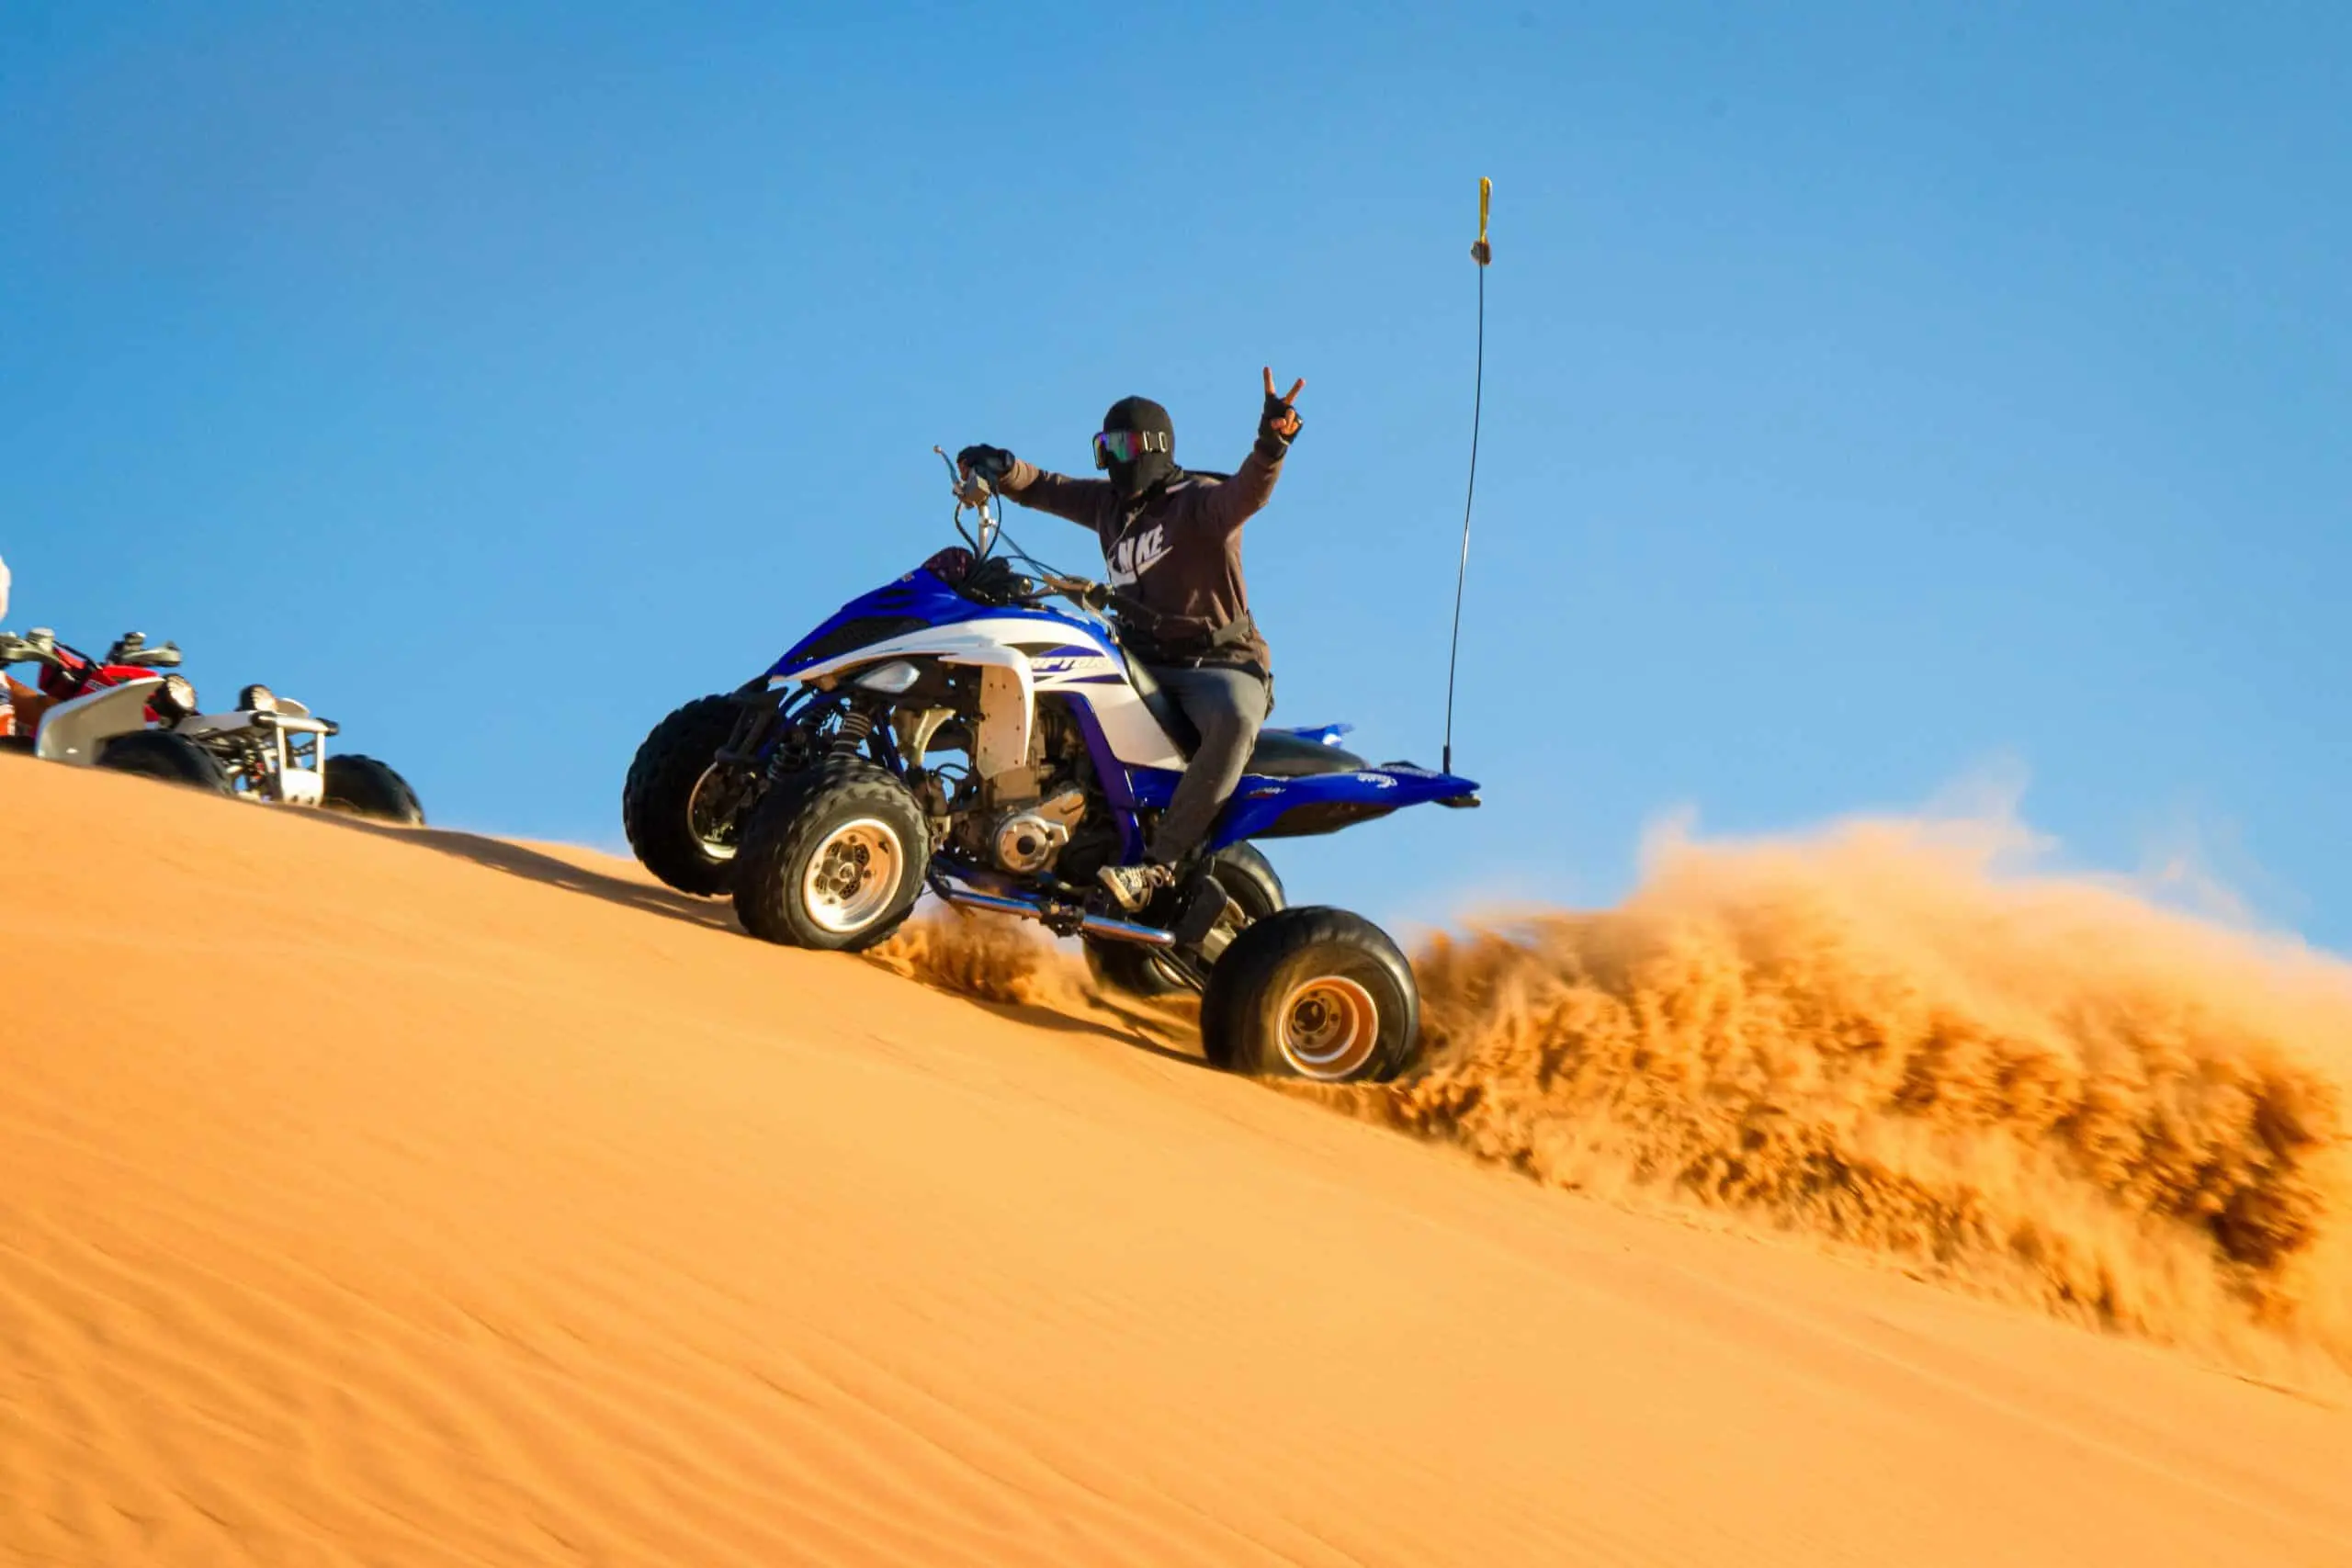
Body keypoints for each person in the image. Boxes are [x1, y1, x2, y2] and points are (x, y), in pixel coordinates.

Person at [959, 367, 1305, 912]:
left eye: (1123, 445)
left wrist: (1270, 445)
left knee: (1237, 722)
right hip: (1139, 661)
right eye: (1105, 447)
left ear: (1155, 447)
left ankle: (1158, 866)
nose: (1114, 457)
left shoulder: (1199, 502)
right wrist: (1002, 468)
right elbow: (1047, 488)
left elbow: (1249, 494)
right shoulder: (1108, 508)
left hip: (1219, 666)